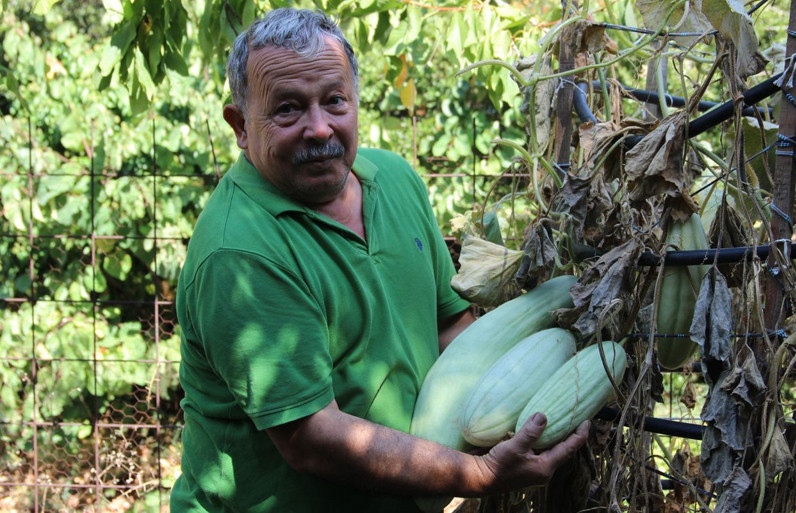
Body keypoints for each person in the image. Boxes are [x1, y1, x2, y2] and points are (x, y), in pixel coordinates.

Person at [171, 7, 589, 512]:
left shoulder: (393, 179)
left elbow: (451, 325)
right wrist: (476, 473)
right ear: (240, 125)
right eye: (288, 109)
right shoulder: (239, 253)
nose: (319, 128)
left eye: (335, 101)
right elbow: (312, 437)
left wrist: (515, 400)